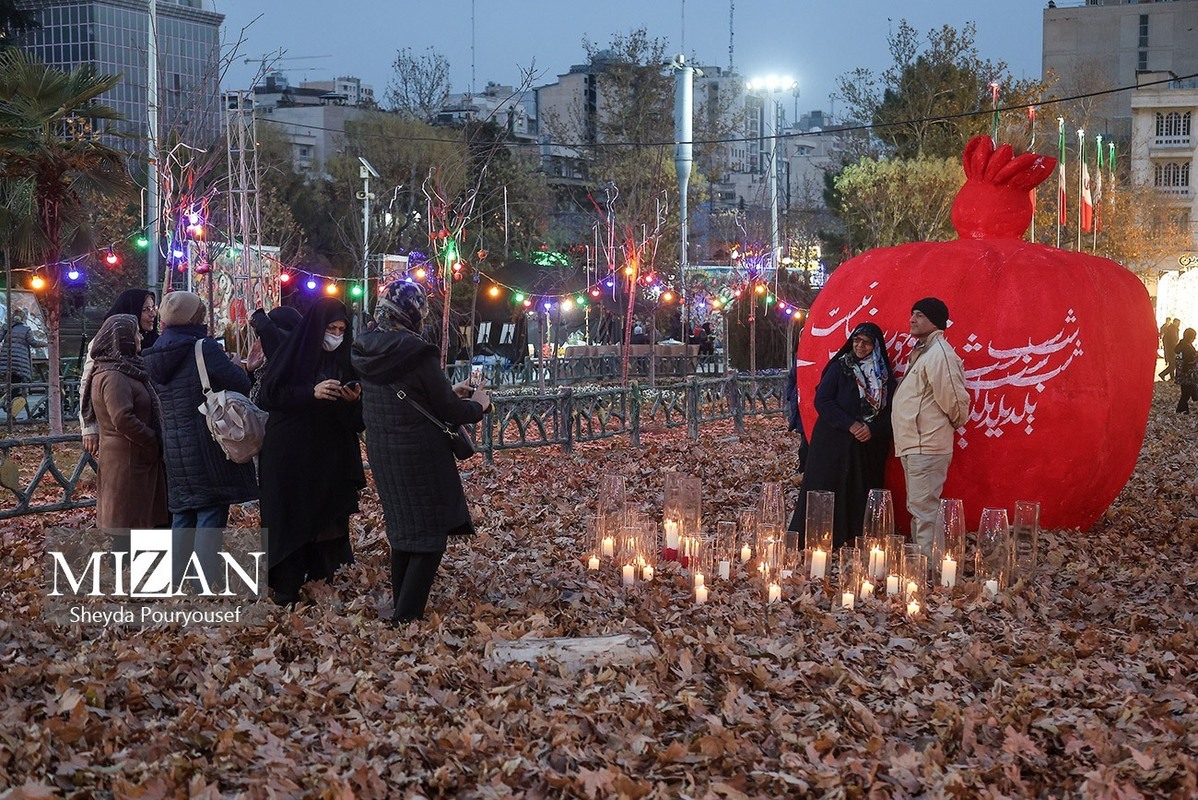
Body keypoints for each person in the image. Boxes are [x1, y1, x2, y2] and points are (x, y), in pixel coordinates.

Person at [352, 280, 491, 624]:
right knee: (429, 537)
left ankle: (402, 608)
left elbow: (419, 394)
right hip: (421, 455)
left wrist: (447, 389)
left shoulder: (365, 348)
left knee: (403, 528)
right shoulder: (416, 350)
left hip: (384, 452)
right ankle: (407, 618)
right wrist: (478, 406)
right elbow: (450, 411)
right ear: (413, 312)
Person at [143, 291, 259, 589]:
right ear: (196, 318)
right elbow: (240, 384)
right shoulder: (203, 348)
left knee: (183, 512)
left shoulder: (154, 353)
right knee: (210, 510)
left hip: (175, 444)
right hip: (208, 440)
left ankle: (174, 579)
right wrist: (238, 364)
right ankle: (204, 582)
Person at [257, 296, 366, 605]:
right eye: (330, 328)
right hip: (289, 453)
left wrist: (352, 401)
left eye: (341, 329)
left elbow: (355, 421)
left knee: (325, 521)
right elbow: (271, 394)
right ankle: (287, 587)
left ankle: (321, 584)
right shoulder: (294, 351)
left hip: (328, 456)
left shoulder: (345, 359)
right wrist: (310, 393)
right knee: (290, 519)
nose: (335, 335)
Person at [787, 322, 896, 548]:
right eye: (856, 341)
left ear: (875, 346)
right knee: (827, 487)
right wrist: (851, 425)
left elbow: (890, 411)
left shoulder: (883, 376)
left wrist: (871, 429)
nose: (860, 346)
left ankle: (853, 538)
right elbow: (823, 401)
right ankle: (820, 539)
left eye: (866, 342)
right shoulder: (840, 367)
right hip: (833, 442)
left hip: (866, 445)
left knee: (859, 490)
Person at [891, 298, 970, 556]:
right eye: (912, 313)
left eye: (920, 315)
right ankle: (926, 571)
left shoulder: (940, 354)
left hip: (926, 447)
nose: (912, 319)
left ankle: (930, 575)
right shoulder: (925, 351)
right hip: (916, 445)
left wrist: (944, 427)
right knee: (920, 510)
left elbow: (956, 401)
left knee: (924, 513)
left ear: (935, 321)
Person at [79, 314, 168, 530]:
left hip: (131, 457)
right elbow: (122, 418)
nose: (139, 336)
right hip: (128, 458)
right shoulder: (114, 374)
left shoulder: (122, 368)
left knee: (134, 521)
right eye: (135, 332)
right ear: (123, 338)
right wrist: (152, 440)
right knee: (128, 524)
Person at [81, 289, 160, 455]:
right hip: (123, 438)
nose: (152, 314)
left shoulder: (153, 341)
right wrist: (89, 428)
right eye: (145, 310)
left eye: (153, 308)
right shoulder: (106, 341)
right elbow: (87, 383)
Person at [247, 306, 303, 403]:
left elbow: (269, 330)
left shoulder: (296, 359)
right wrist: (251, 370)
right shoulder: (268, 362)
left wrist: (256, 316)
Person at [1, 308, 46, 412]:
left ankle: (7, 403)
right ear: (23, 318)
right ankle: (9, 406)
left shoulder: (6, 327)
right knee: (17, 384)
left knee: (10, 382)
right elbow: (33, 343)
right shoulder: (26, 329)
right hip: (20, 362)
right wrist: (46, 343)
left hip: (6, 360)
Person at [1175, 327, 1197, 413]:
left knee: (1187, 391)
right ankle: (1181, 409)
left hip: (1182, 374)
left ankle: (1184, 409)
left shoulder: (1181, 344)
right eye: (1194, 337)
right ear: (1190, 337)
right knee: (1186, 393)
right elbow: (1190, 361)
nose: (1194, 338)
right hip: (1188, 374)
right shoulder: (1187, 347)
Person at [1160, 318, 1181, 382]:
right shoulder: (1171, 330)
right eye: (1178, 323)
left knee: (1173, 364)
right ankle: (1164, 374)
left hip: (1172, 349)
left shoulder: (1174, 329)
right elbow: (1170, 341)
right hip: (1171, 349)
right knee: (1173, 364)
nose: (1179, 325)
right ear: (1174, 322)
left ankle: (1171, 377)